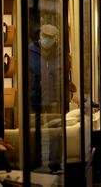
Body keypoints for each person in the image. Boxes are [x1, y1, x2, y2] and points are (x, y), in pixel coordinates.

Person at [29, 24, 63, 174]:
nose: (47, 40)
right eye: (45, 37)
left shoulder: (59, 51)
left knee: (55, 132)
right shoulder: (30, 51)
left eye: (50, 38)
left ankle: (55, 163)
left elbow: (61, 75)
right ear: (40, 36)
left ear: (55, 38)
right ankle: (34, 161)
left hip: (54, 99)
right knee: (34, 131)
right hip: (35, 98)